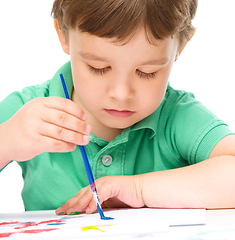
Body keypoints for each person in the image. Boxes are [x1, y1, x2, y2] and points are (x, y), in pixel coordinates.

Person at [1, 0, 235, 215]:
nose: (121, 94)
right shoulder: (27, 110)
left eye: (147, 72)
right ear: (63, 35)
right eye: (98, 67)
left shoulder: (178, 117)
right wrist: (6, 141)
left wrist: (139, 189)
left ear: (180, 45)